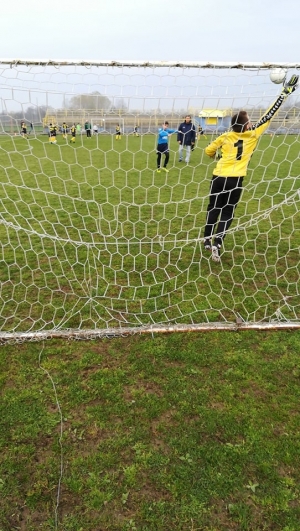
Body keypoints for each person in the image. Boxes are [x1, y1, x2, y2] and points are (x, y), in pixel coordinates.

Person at [203, 74, 299, 263]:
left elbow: (208, 151)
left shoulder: (226, 136)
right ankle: (217, 243)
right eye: (249, 120)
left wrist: (217, 155)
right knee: (228, 212)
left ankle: (206, 239)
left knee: (213, 207)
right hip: (235, 179)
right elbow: (269, 114)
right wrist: (285, 92)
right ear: (246, 124)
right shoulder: (253, 134)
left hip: (218, 176)